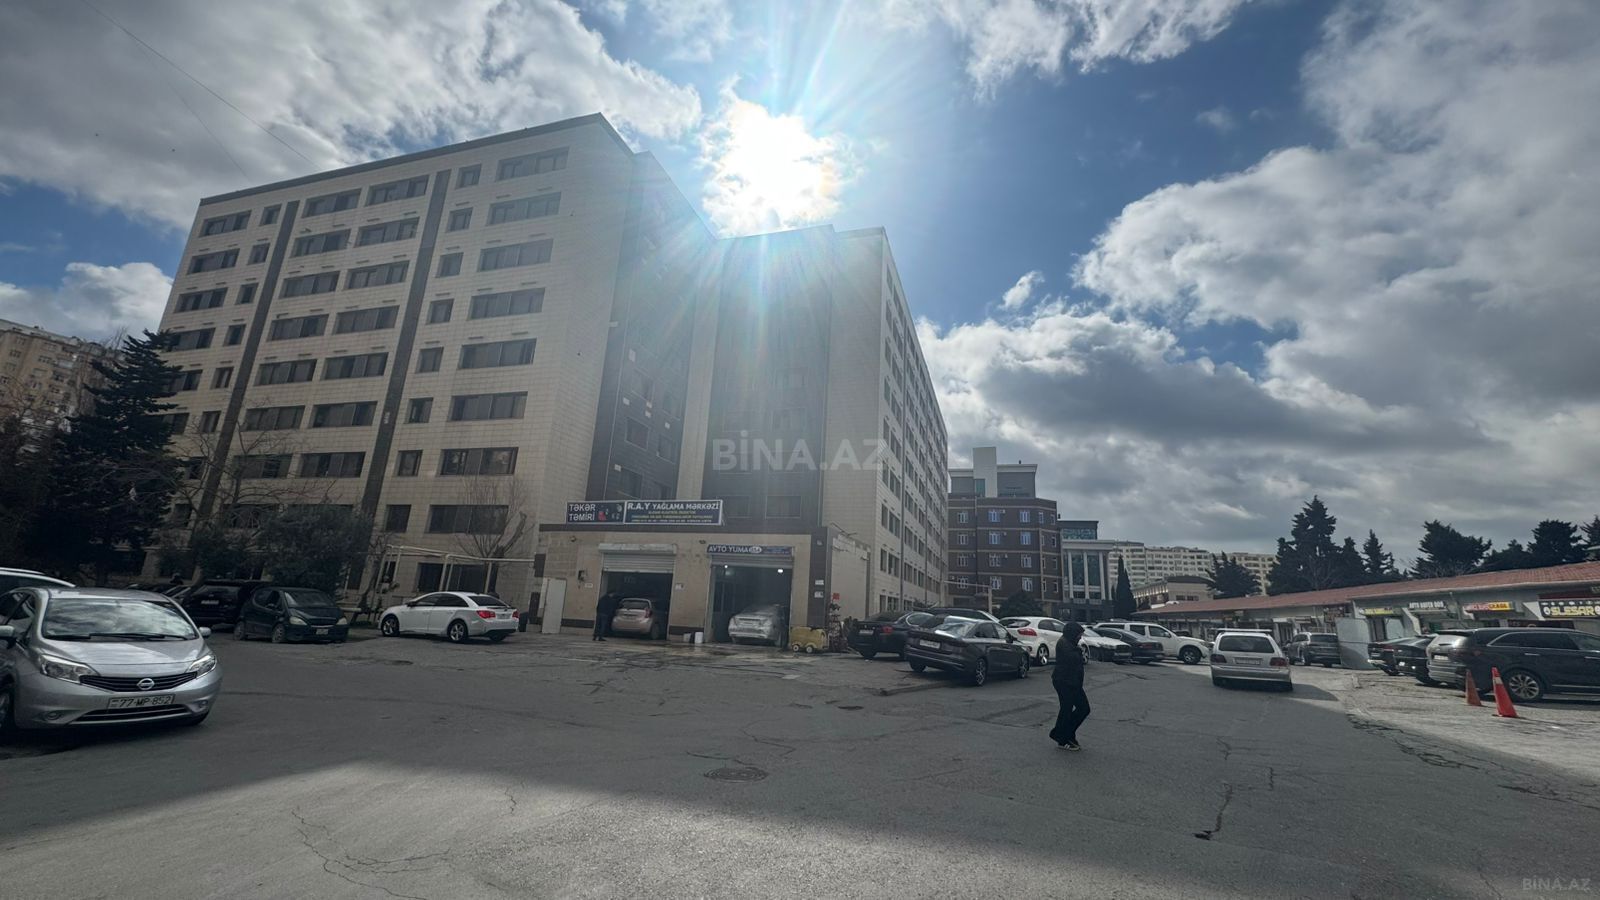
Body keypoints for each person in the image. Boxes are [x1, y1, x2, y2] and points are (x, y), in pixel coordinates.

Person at [1049, 622, 1091, 751]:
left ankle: (1064, 733)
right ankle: (1063, 737)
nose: (1080, 637)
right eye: (1079, 635)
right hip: (1065, 682)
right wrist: (1078, 651)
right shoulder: (1064, 644)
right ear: (1072, 633)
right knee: (1068, 709)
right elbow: (1071, 659)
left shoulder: (1071, 643)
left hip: (1073, 682)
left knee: (1082, 708)